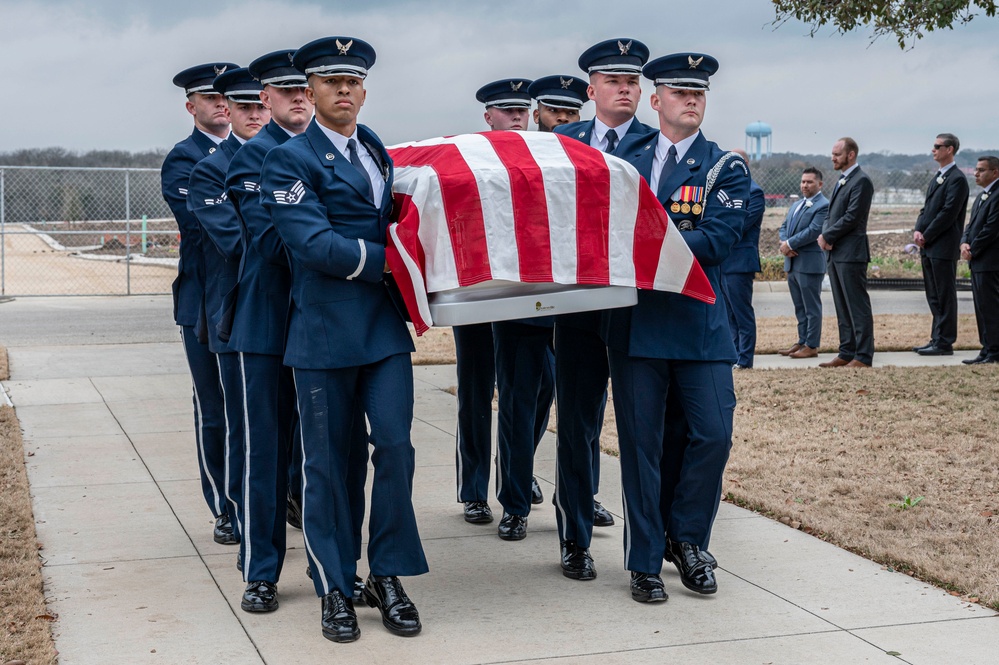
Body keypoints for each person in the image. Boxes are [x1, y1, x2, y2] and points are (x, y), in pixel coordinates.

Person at [261, 36, 428, 643]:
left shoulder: (376, 149)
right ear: (310, 91)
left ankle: (387, 575)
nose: (344, 91)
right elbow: (311, 243)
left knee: (396, 450)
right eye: (331, 82)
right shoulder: (286, 160)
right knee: (329, 466)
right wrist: (395, 260)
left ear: (364, 89)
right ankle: (336, 583)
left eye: (353, 82)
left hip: (382, 329)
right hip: (325, 330)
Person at [611, 52, 748, 602]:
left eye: (700, 93)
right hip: (638, 325)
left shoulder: (724, 167)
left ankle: (687, 539)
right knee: (641, 447)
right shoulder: (626, 159)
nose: (692, 100)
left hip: (699, 325)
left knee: (712, 434)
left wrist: (640, 246)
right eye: (680, 91)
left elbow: (718, 239)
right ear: (656, 99)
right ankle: (645, 560)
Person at [550, 37, 654, 582]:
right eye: (614, 81)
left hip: (634, 305)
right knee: (578, 425)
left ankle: (644, 555)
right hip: (578, 305)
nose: (626, 89)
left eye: (633, 81)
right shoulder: (561, 142)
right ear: (591, 90)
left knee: (639, 430)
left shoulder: (657, 146)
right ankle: (574, 537)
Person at [464, 78, 558, 539]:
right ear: (489, 116)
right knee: (480, 393)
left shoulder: (548, 157)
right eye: (506, 110)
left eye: (523, 109)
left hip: (544, 296)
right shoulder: (475, 159)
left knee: (542, 394)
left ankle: (514, 474)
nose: (517, 117)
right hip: (489, 292)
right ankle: (484, 491)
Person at [187, 67, 269, 587]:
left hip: (289, 307)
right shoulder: (203, 167)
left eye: (259, 106)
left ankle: (280, 504)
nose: (254, 115)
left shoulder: (290, 156)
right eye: (244, 108)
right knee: (236, 419)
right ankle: (233, 508)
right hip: (232, 307)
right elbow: (233, 240)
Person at [162, 61, 238, 546]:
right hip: (203, 301)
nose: (220, 104)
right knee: (214, 409)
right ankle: (224, 505)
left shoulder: (255, 151)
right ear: (192, 107)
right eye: (209, 98)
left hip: (246, 298)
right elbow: (205, 227)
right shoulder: (183, 160)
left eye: (224, 96)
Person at [817, 137, 875, 368]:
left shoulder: (861, 181)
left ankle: (863, 355)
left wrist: (828, 236)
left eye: (837, 154)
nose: (833, 158)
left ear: (851, 155)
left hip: (851, 253)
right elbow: (831, 216)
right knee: (842, 304)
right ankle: (847, 351)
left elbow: (853, 216)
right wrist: (825, 235)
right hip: (836, 252)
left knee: (856, 305)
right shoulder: (843, 180)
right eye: (832, 153)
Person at [912, 133, 970, 356]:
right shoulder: (938, 176)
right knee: (933, 294)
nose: (933, 150)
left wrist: (927, 234)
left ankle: (945, 341)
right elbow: (926, 209)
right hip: (929, 245)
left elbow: (948, 214)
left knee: (944, 294)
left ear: (950, 149)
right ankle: (936, 337)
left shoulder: (956, 179)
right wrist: (918, 228)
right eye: (933, 146)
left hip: (943, 245)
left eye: (938, 146)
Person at [778, 168, 830, 358]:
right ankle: (801, 341)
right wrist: (784, 243)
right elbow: (784, 226)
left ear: (820, 184)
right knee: (800, 307)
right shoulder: (797, 204)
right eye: (803, 182)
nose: (804, 185)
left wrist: (790, 243)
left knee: (811, 307)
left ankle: (812, 345)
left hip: (809, 264)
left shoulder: (823, 205)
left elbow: (814, 230)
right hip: (792, 262)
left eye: (809, 182)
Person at [721, 149, 763, 369]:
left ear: (744, 164)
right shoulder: (727, 190)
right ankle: (735, 355)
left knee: (742, 313)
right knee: (729, 314)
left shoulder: (754, 192)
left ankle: (745, 359)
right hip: (725, 262)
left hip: (740, 262)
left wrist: (719, 227)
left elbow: (741, 224)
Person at [960, 156, 999, 365]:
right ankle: (986, 348)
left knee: (990, 307)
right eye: (976, 170)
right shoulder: (983, 196)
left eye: (981, 170)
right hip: (978, 261)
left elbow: (991, 229)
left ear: (995, 173)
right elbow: (971, 225)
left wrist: (973, 249)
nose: (976, 173)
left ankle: (995, 351)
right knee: (981, 306)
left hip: (990, 262)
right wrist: (964, 243)